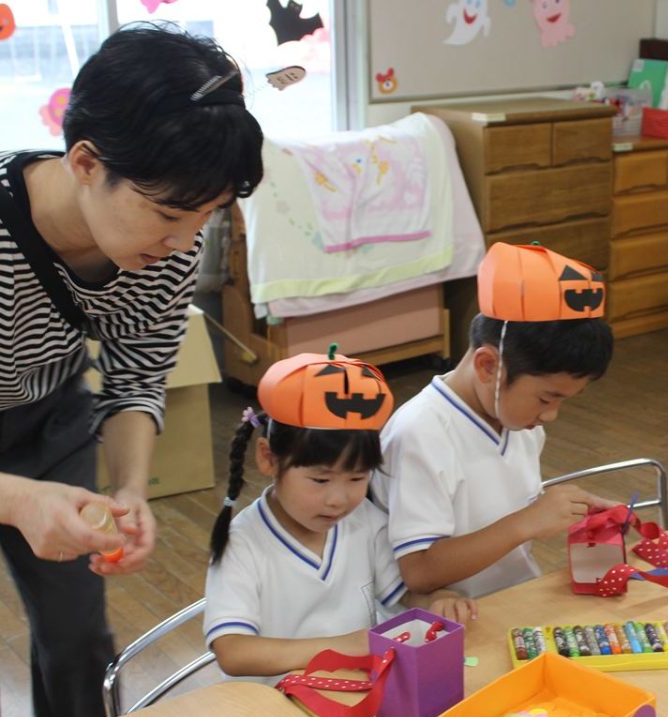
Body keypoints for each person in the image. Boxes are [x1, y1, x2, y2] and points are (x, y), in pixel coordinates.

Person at [0, 23, 263, 717]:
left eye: (208, 215)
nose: (185, 242)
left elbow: (135, 380)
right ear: (86, 162)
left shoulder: (169, 243)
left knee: (78, 639)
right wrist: (15, 499)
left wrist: (129, 489)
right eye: (169, 214)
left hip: (45, 421)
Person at [202, 352, 476, 681]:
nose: (338, 500)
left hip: (355, 688)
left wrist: (438, 599)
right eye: (320, 480)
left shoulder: (365, 520)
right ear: (269, 459)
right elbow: (233, 651)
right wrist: (343, 646)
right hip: (274, 701)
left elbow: (401, 593)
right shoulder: (242, 543)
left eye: (357, 478)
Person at [371, 243, 614, 598]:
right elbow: (419, 572)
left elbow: (497, 504)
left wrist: (567, 510)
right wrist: (527, 522)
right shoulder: (419, 432)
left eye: (564, 400)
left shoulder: (519, 422)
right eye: (546, 398)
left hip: (513, 599)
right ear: (488, 366)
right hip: (451, 619)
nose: (551, 415)